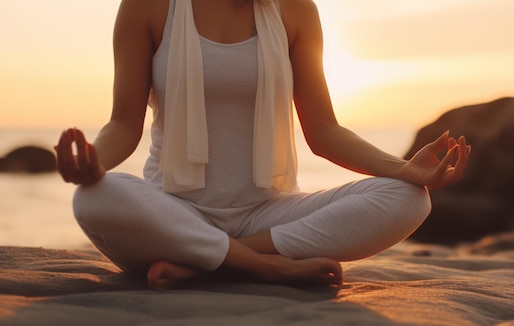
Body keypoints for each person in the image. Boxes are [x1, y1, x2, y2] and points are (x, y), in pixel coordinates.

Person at [55, 0, 470, 289]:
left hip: (266, 217)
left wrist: (404, 170)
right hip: (174, 213)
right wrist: (94, 163)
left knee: (410, 198)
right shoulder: (148, 5)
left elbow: (324, 130)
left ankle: (204, 266)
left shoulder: (296, 10)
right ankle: (265, 268)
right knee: (91, 197)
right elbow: (123, 125)